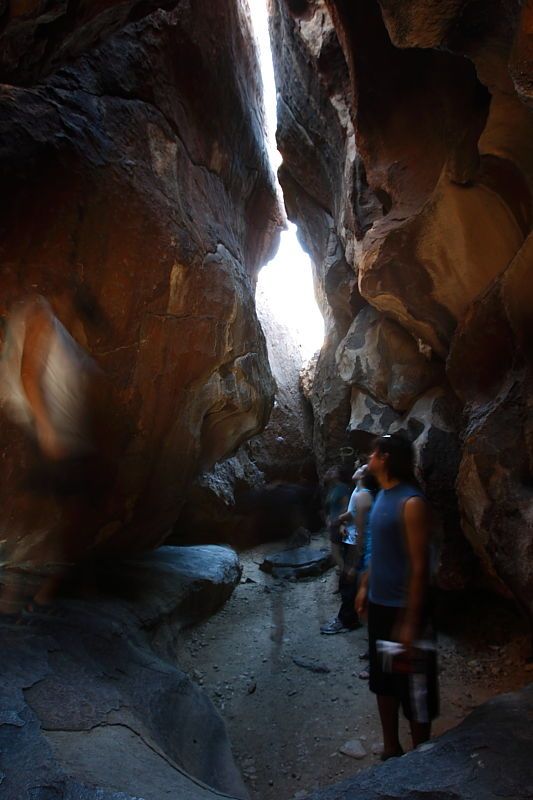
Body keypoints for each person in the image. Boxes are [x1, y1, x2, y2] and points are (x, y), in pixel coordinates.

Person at [0, 291, 116, 613]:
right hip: (52, 437)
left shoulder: (65, 337)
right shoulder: (42, 311)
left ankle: (49, 589)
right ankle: (22, 594)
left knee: (70, 511)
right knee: (48, 514)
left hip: (69, 439)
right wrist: (46, 429)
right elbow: (28, 374)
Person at [355, 434, 438, 759]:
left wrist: (409, 621)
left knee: (415, 687)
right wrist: (364, 585)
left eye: (374, 452)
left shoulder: (411, 502)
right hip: (380, 607)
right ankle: (392, 748)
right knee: (384, 681)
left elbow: (420, 567)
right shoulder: (382, 498)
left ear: (385, 457)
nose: (369, 456)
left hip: (405, 611)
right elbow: (380, 551)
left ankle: (421, 756)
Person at [321, 463, 377, 634]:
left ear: (364, 475)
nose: (356, 467)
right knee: (348, 582)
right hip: (352, 541)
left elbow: (361, 531)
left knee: (349, 583)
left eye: (360, 467)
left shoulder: (363, 495)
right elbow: (352, 514)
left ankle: (347, 620)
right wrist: (343, 523)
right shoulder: (357, 491)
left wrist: (354, 560)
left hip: (358, 545)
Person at [323, 466, 350, 581]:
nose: (330, 471)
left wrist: (339, 521)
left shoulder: (342, 488)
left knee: (335, 552)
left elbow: (346, 506)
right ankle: (344, 572)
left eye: (334, 470)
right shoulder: (331, 488)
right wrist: (328, 519)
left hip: (339, 523)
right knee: (338, 551)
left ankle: (346, 576)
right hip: (333, 523)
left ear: (339, 474)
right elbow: (329, 507)